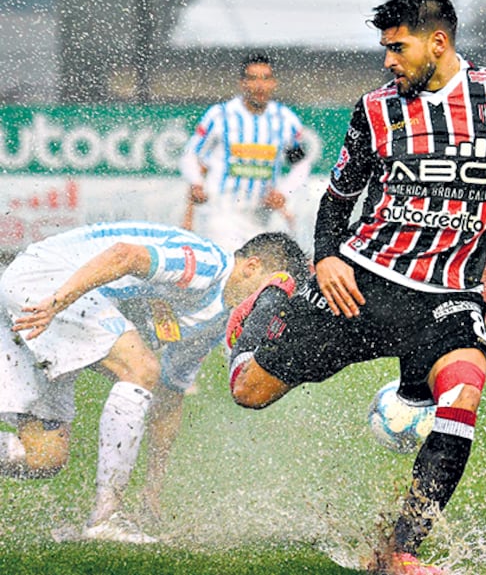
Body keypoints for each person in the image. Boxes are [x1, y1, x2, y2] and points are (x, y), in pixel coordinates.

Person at [223, 0, 486, 575]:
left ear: (437, 42)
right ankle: (269, 302)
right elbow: (338, 199)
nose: (388, 61)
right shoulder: (374, 109)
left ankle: (402, 551)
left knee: (463, 395)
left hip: (448, 297)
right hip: (362, 285)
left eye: (397, 47)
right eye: (385, 50)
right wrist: (325, 258)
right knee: (249, 392)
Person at [0, 222, 308, 543]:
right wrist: (57, 301)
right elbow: (123, 255)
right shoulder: (210, 264)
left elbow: (170, 394)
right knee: (140, 366)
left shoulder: (216, 321)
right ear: (251, 266)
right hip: (46, 282)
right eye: (272, 292)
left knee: (43, 458)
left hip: (44, 301)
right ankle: (106, 518)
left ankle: (107, 516)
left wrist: (153, 488)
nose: (272, 306)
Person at [179, 52, 315, 252]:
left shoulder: (285, 120)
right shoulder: (220, 116)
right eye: (252, 79)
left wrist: (284, 192)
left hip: (262, 214)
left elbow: (301, 165)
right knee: (233, 267)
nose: (259, 86)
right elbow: (191, 154)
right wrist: (197, 183)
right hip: (223, 211)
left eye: (265, 78)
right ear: (242, 83)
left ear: (273, 83)